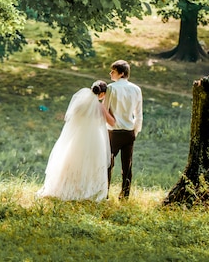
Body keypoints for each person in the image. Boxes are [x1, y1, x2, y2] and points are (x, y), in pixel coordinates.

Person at [37, 80, 115, 201]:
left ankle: (66, 188)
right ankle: (88, 190)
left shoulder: (80, 105)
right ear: (102, 94)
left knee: (73, 161)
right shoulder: (100, 107)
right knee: (91, 163)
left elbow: (70, 118)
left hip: (77, 137)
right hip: (94, 139)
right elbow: (112, 122)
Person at [104, 60, 143, 200]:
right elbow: (139, 114)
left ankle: (105, 193)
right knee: (127, 166)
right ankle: (125, 195)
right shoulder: (136, 89)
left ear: (121, 73)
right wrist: (135, 131)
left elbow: (105, 110)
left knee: (108, 164)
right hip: (129, 131)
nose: (110, 73)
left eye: (113, 71)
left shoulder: (111, 88)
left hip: (113, 132)